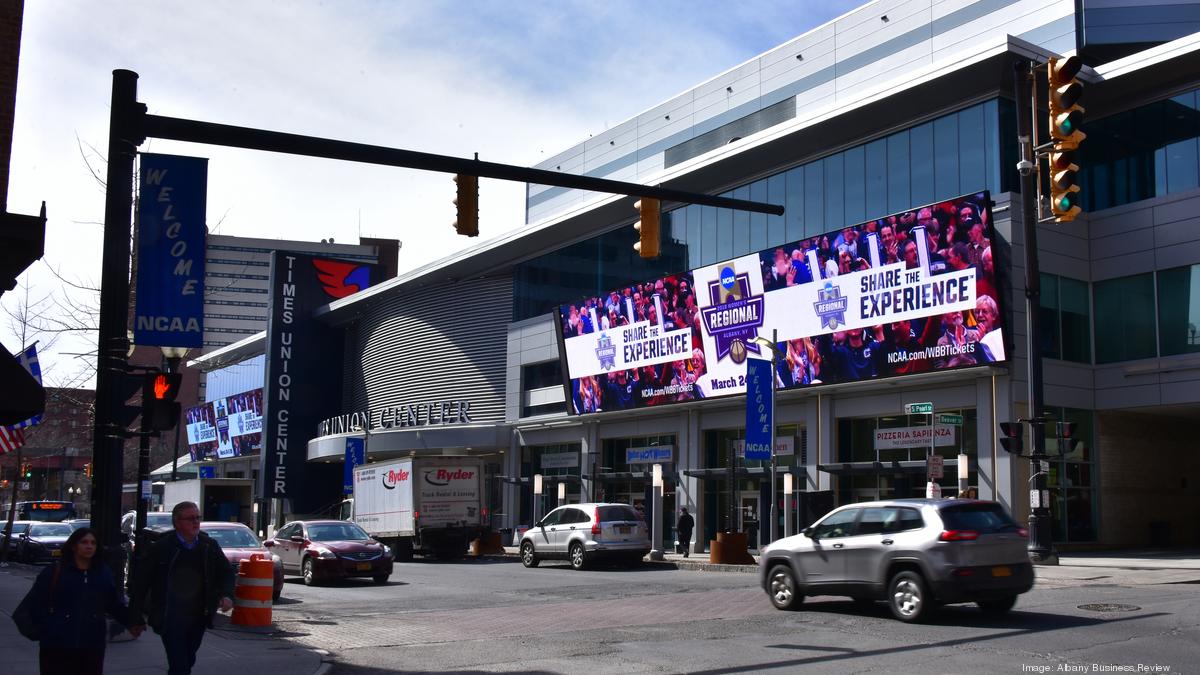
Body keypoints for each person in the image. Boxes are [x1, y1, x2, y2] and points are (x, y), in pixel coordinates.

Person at [129, 501, 234, 675]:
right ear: (177, 523)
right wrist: (135, 617)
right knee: (180, 666)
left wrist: (227, 595)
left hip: (198, 615)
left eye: (197, 518)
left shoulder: (208, 546)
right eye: (190, 519)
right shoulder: (161, 548)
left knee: (188, 659)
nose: (195, 523)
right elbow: (140, 583)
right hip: (170, 616)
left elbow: (226, 572)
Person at [28, 527, 143, 675]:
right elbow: (37, 603)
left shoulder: (102, 573)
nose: (89, 546)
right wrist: (48, 628)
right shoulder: (55, 571)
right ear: (74, 546)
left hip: (92, 642)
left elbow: (112, 603)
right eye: (84, 542)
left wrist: (132, 621)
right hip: (57, 644)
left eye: (93, 543)